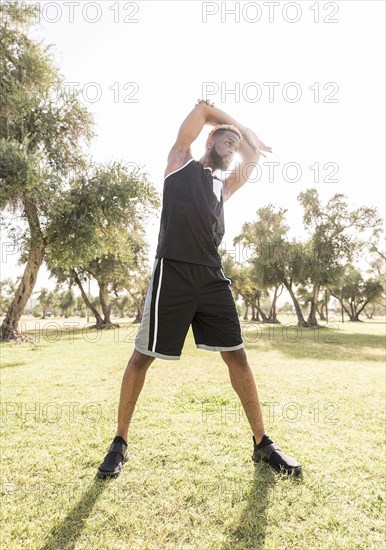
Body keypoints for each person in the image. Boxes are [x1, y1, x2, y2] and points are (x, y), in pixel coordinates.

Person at [97, 99, 301, 478]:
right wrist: (241, 126)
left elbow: (253, 156)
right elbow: (204, 108)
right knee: (142, 357)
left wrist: (247, 140)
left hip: (211, 277)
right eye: (226, 142)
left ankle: (263, 444)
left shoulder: (222, 189)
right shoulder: (179, 164)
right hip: (172, 273)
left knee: (237, 356)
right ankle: (119, 443)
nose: (232, 148)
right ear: (210, 139)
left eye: (233, 146)